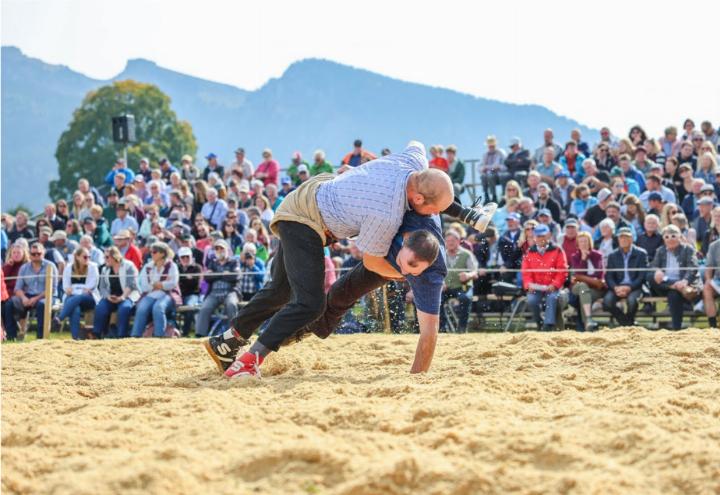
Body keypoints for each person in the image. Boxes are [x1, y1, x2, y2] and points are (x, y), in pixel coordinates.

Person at [208, 142, 456, 377]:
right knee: (311, 304)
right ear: (419, 199)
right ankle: (250, 362)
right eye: (435, 211)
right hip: (306, 220)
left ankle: (226, 341)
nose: (434, 217)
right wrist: (404, 274)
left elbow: (417, 143)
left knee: (280, 291)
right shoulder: (386, 214)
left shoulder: (411, 160)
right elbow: (371, 263)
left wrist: (360, 172)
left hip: (309, 197)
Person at [647, 225, 700, 330]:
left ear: (680, 237)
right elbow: (653, 265)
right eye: (667, 237)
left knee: (673, 295)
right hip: (665, 284)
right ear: (663, 239)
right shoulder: (660, 250)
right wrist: (657, 270)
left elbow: (693, 267)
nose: (670, 239)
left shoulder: (688, 249)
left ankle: (676, 328)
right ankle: (673, 286)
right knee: (649, 276)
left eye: (673, 236)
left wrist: (684, 281)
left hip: (683, 284)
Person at [6, 243, 58, 340]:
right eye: (33, 254)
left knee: (42, 305)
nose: (36, 256)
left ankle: (40, 337)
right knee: (9, 303)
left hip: (46, 296)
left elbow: (52, 289)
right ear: (29, 254)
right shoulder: (24, 268)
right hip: (28, 296)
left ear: (43, 253)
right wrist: (23, 298)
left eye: (38, 253)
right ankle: (11, 336)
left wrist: (36, 298)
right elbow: (17, 288)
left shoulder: (51, 266)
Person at [522, 224, 568, 331]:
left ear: (549, 235)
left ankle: (548, 325)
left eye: (543, 236)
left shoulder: (557, 250)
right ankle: (538, 321)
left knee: (552, 298)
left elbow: (562, 270)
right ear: (534, 237)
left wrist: (555, 284)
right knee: (531, 300)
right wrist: (528, 285)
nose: (541, 238)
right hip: (536, 287)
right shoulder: (529, 252)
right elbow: (526, 273)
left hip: (552, 287)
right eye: (538, 236)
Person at [131, 242, 180, 338]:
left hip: (167, 295)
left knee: (158, 307)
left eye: (154, 252)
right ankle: (135, 336)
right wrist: (157, 285)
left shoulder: (172, 266)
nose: (151, 254)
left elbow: (173, 283)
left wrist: (160, 285)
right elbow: (143, 285)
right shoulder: (148, 266)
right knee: (141, 308)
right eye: (151, 252)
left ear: (162, 253)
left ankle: (159, 336)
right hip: (151, 294)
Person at [195, 239, 242, 337]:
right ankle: (200, 335)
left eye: (221, 248)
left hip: (230, 291)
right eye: (217, 249)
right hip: (214, 293)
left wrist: (216, 274)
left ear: (227, 250)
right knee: (204, 307)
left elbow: (236, 276)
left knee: (231, 304)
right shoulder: (212, 262)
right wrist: (224, 274)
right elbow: (207, 278)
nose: (219, 250)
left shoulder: (234, 261)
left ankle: (235, 334)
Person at [603, 228, 648, 326]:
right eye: (621, 237)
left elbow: (642, 276)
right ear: (618, 239)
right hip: (617, 286)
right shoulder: (612, 255)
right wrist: (615, 287)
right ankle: (627, 323)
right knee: (607, 301)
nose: (623, 240)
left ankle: (627, 323)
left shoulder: (641, 253)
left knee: (632, 301)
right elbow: (609, 276)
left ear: (632, 239)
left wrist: (629, 287)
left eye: (626, 237)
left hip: (635, 286)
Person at [52, 247, 99, 340]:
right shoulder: (69, 267)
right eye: (85, 257)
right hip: (72, 297)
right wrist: (77, 290)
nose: (87, 259)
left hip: (89, 298)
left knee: (79, 297)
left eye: (89, 257)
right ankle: (75, 338)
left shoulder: (93, 267)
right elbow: (66, 285)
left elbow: (92, 285)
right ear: (77, 257)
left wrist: (74, 289)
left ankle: (60, 317)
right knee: (75, 308)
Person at [93, 246, 139, 339]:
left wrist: (122, 297)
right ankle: (97, 334)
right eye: (104, 257)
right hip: (111, 296)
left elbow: (131, 284)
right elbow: (102, 287)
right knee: (100, 307)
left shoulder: (128, 265)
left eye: (107, 257)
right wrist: (108, 296)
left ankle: (121, 335)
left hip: (128, 295)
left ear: (115, 256)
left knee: (124, 308)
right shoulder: (104, 269)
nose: (105, 259)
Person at [440, 229, 477, 333]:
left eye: (453, 240)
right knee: (437, 300)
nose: (450, 243)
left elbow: (475, 272)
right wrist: (441, 282)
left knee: (464, 298)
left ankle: (461, 329)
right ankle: (443, 329)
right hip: (446, 287)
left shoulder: (466, 254)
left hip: (463, 287)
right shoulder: (442, 255)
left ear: (459, 241)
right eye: (448, 241)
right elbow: (437, 273)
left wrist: (468, 275)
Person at [568, 231, 605, 331]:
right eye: (581, 242)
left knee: (584, 294)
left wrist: (581, 278)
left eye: (585, 241)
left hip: (594, 289)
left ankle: (586, 326)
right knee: (583, 287)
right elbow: (578, 273)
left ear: (590, 243)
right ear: (578, 244)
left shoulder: (598, 255)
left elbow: (599, 274)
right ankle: (588, 320)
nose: (583, 244)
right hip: (578, 287)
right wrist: (583, 259)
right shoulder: (575, 257)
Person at [480, 136, 508, 203]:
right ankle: (487, 196)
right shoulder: (485, 154)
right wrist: (483, 169)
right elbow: (479, 167)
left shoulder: (501, 153)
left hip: (500, 175)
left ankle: (499, 197)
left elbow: (506, 166)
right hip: (489, 174)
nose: (491, 147)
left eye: (492, 146)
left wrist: (498, 167)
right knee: (483, 176)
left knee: (490, 176)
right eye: (489, 146)